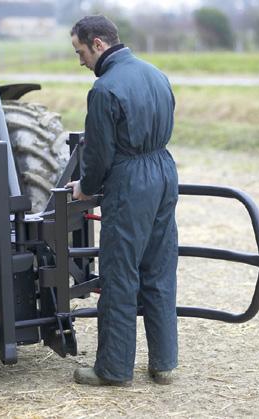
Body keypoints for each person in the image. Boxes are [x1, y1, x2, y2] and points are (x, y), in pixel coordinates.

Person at [65, 15, 178, 386]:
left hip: (131, 180)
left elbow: (99, 154)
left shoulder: (104, 89)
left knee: (119, 273)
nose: (80, 60)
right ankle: (163, 364)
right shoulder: (156, 74)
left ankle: (113, 369)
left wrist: (85, 186)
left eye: (80, 51)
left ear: (98, 44)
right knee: (159, 268)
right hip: (163, 170)